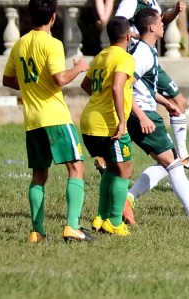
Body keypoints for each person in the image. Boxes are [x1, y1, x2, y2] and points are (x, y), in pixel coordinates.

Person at [1, 0, 94, 242]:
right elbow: (59, 79)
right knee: (77, 168)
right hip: (55, 117)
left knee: (39, 175)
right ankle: (72, 226)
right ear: (53, 17)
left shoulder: (20, 44)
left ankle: (37, 231)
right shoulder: (52, 44)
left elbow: (7, 80)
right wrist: (79, 67)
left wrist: (31, 84)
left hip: (32, 121)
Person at [123, 8, 189, 229]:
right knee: (174, 164)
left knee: (166, 163)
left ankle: (128, 198)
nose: (164, 25)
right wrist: (141, 116)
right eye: (161, 22)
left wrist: (166, 102)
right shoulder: (141, 53)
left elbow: (142, 86)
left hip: (144, 113)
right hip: (144, 116)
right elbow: (125, 85)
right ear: (152, 27)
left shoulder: (146, 50)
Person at [115, 0, 189, 173]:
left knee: (180, 102)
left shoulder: (150, 0)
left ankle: (182, 156)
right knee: (131, 107)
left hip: (152, 59)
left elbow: (160, 20)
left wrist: (175, 11)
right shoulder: (130, 1)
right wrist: (140, 34)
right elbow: (117, 25)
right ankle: (171, 157)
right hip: (138, 62)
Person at [80, 17, 135, 236]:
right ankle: (114, 221)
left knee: (112, 169)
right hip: (109, 125)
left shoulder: (100, 56)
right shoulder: (125, 58)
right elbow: (117, 87)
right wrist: (122, 122)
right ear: (129, 37)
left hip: (89, 121)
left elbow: (86, 85)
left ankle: (101, 217)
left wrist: (98, 102)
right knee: (124, 170)